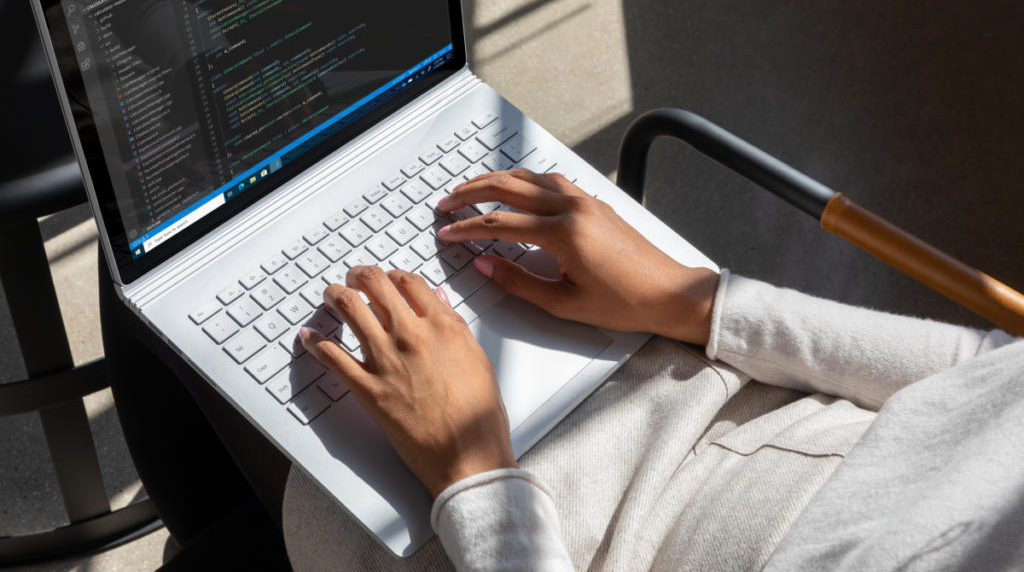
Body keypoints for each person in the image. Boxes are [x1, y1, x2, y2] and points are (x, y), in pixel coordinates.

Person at [102, 168, 1024, 572]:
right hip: (710, 377)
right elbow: (989, 373)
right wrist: (693, 300)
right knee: (191, 254)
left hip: (525, 538)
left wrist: (474, 471)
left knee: (160, 269)